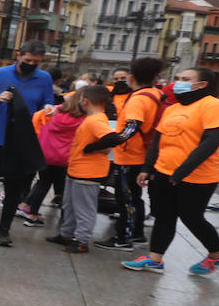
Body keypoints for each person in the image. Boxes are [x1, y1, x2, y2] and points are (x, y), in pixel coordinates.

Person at [123, 67, 219, 275]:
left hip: (197, 176)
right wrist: (148, 168)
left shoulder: (212, 105)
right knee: (164, 215)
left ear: (202, 84)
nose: (178, 82)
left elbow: (211, 141)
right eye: (178, 78)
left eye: (186, 79)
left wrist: (181, 172)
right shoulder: (173, 108)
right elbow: (157, 142)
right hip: (164, 172)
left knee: (192, 217)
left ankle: (218, 254)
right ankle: (155, 259)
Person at [0, 40, 54, 246]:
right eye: (28, 60)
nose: (31, 64)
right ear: (19, 55)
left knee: (15, 187)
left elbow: (47, 104)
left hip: (22, 139)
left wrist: (49, 109)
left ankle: (3, 230)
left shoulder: (44, 78)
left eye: (36, 62)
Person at [38, 86, 123, 253]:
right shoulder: (93, 118)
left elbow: (113, 139)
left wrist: (91, 148)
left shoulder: (96, 119)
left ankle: (81, 241)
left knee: (84, 209)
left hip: (88, 172)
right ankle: (66, 234)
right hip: (77, 170)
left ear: (85, 100)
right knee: (69, 205)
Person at [96, 57, 165, 250]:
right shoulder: (156, 93)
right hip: (142, 154)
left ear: (132, 77)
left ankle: (123, 237)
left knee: (125, 198)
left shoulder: (138, 98)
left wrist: (111, 141)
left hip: (130, 156)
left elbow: (132, 126)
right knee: (134, 197)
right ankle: (137, 233)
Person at [17, 93, 85, 226]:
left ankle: (32, 214)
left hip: (46, 154)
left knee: (43, 183)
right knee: (64, 188)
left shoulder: (50, 113)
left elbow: (37, 121)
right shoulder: (82, 119)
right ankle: (65, 220)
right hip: (66, 158)